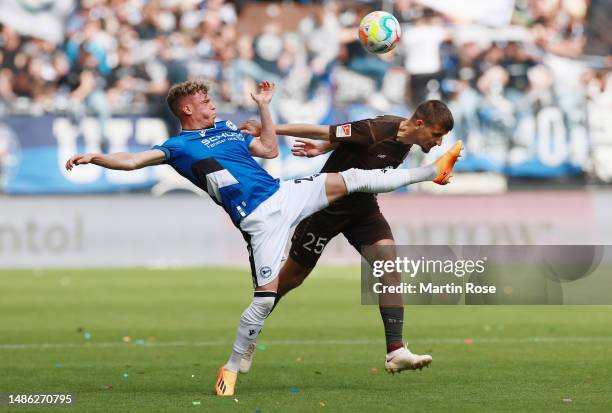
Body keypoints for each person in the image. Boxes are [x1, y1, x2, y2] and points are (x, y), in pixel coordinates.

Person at [65, 79, 462, 396]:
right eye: (205, 100)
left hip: (283, 193)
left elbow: (270, 150)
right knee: (268, 294)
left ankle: (432, 172)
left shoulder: (226, 131)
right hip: (259, 221)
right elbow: (133, 160)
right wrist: (95, 157)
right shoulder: (176, 146)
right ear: (187, 109)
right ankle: (234, 364)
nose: (213, 105)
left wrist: (265, 108)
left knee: (355, 182)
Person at [237, 102, 455, 375]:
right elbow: (322, 130)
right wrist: (267, 128)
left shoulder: (406, 136)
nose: (439, 142)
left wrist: (328, 147)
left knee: (389, 269)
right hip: (325, 209)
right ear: (420, 125)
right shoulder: (377, 129)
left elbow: (348, 141)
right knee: (291, 278)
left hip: (363, 211)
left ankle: (396, 350)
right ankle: (248, 336)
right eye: (436, 135)